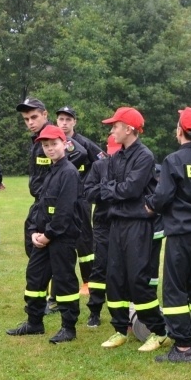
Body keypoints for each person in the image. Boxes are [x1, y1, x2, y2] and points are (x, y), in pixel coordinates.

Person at [145, 107, 191, 363]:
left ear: (180, 130)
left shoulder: (173, 161)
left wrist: (150, 206)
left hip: (181, 232)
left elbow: (163, 195)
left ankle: (183, 347)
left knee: (175, 287)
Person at [97, 107, 168, 352]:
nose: (112, 129)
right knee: (114, 277)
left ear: (129, 128)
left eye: (115, 125)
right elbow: (104, 188)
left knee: (138, 278)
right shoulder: (115, 158)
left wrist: (115, 190)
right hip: (117, 224)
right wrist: (116, 190)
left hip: (138, 226)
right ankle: (120, 329)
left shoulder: (145, 156)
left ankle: (158, 331)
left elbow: (131, 189)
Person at [5, 125, 82, 344]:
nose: (49, 149)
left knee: (64, 281)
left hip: (61, 238)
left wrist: (47, 235)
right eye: (46, 145)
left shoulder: (69, 173)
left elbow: (64, 212)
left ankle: (68, 328)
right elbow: (40, 206)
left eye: (54, 144)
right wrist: (33, 232)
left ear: (65, 145)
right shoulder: (51, 171)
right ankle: (34, 322)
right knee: (35, 277)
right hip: (44, 237)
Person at [16, 97, 87, 258]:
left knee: (45, 250)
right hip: (39, 200)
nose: (30, 122)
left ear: (45, 114)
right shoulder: (37, 138)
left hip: (49, 201)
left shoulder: (53, 135)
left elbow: (80, 152)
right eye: (26, 119)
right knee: (32, 243)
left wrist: (55, 176)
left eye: (34, 117)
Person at [56, 106, 105, 288]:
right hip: (59, 198)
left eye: (68, 119)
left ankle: (88, 280)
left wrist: (92, 181)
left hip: (81, 197)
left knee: (84, 238)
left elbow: (103, 161)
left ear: (74, 122)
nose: (64, 123)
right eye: (61, 119)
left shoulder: (84, 143)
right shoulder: (53, 142)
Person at [83, 135, 121, 328]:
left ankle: (124, 312)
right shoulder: (98, 167)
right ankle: (95, 311)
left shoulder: (132, 163)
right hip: (102, 224)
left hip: (124, 223)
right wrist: (108, 190)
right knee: (100, 266)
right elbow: (88, 192)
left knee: (122, 267)